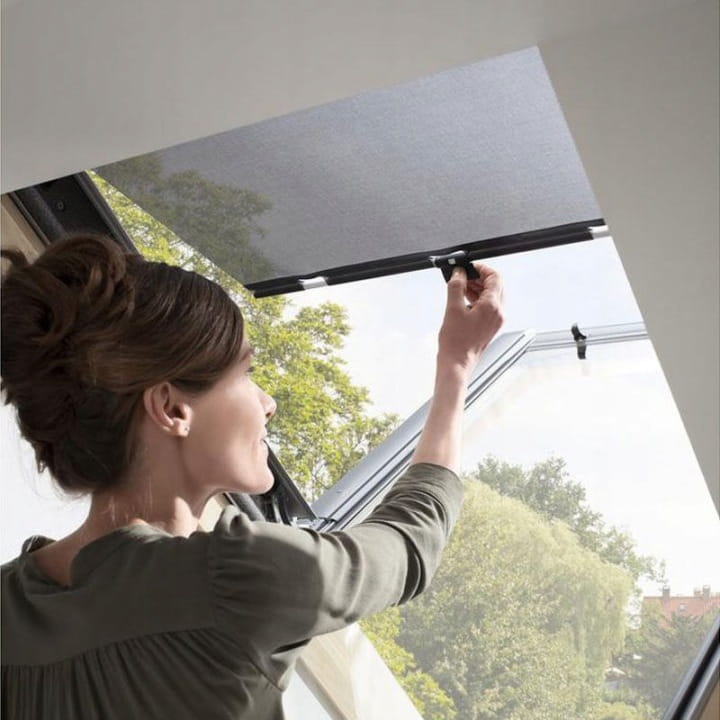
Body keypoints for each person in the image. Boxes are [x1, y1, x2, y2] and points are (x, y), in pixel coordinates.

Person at [0, 235, 504, 719]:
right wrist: (456, 367)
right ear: (172, 409)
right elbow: (411, 541)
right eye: (245, 374)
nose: (268, 403)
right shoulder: (239, 579)